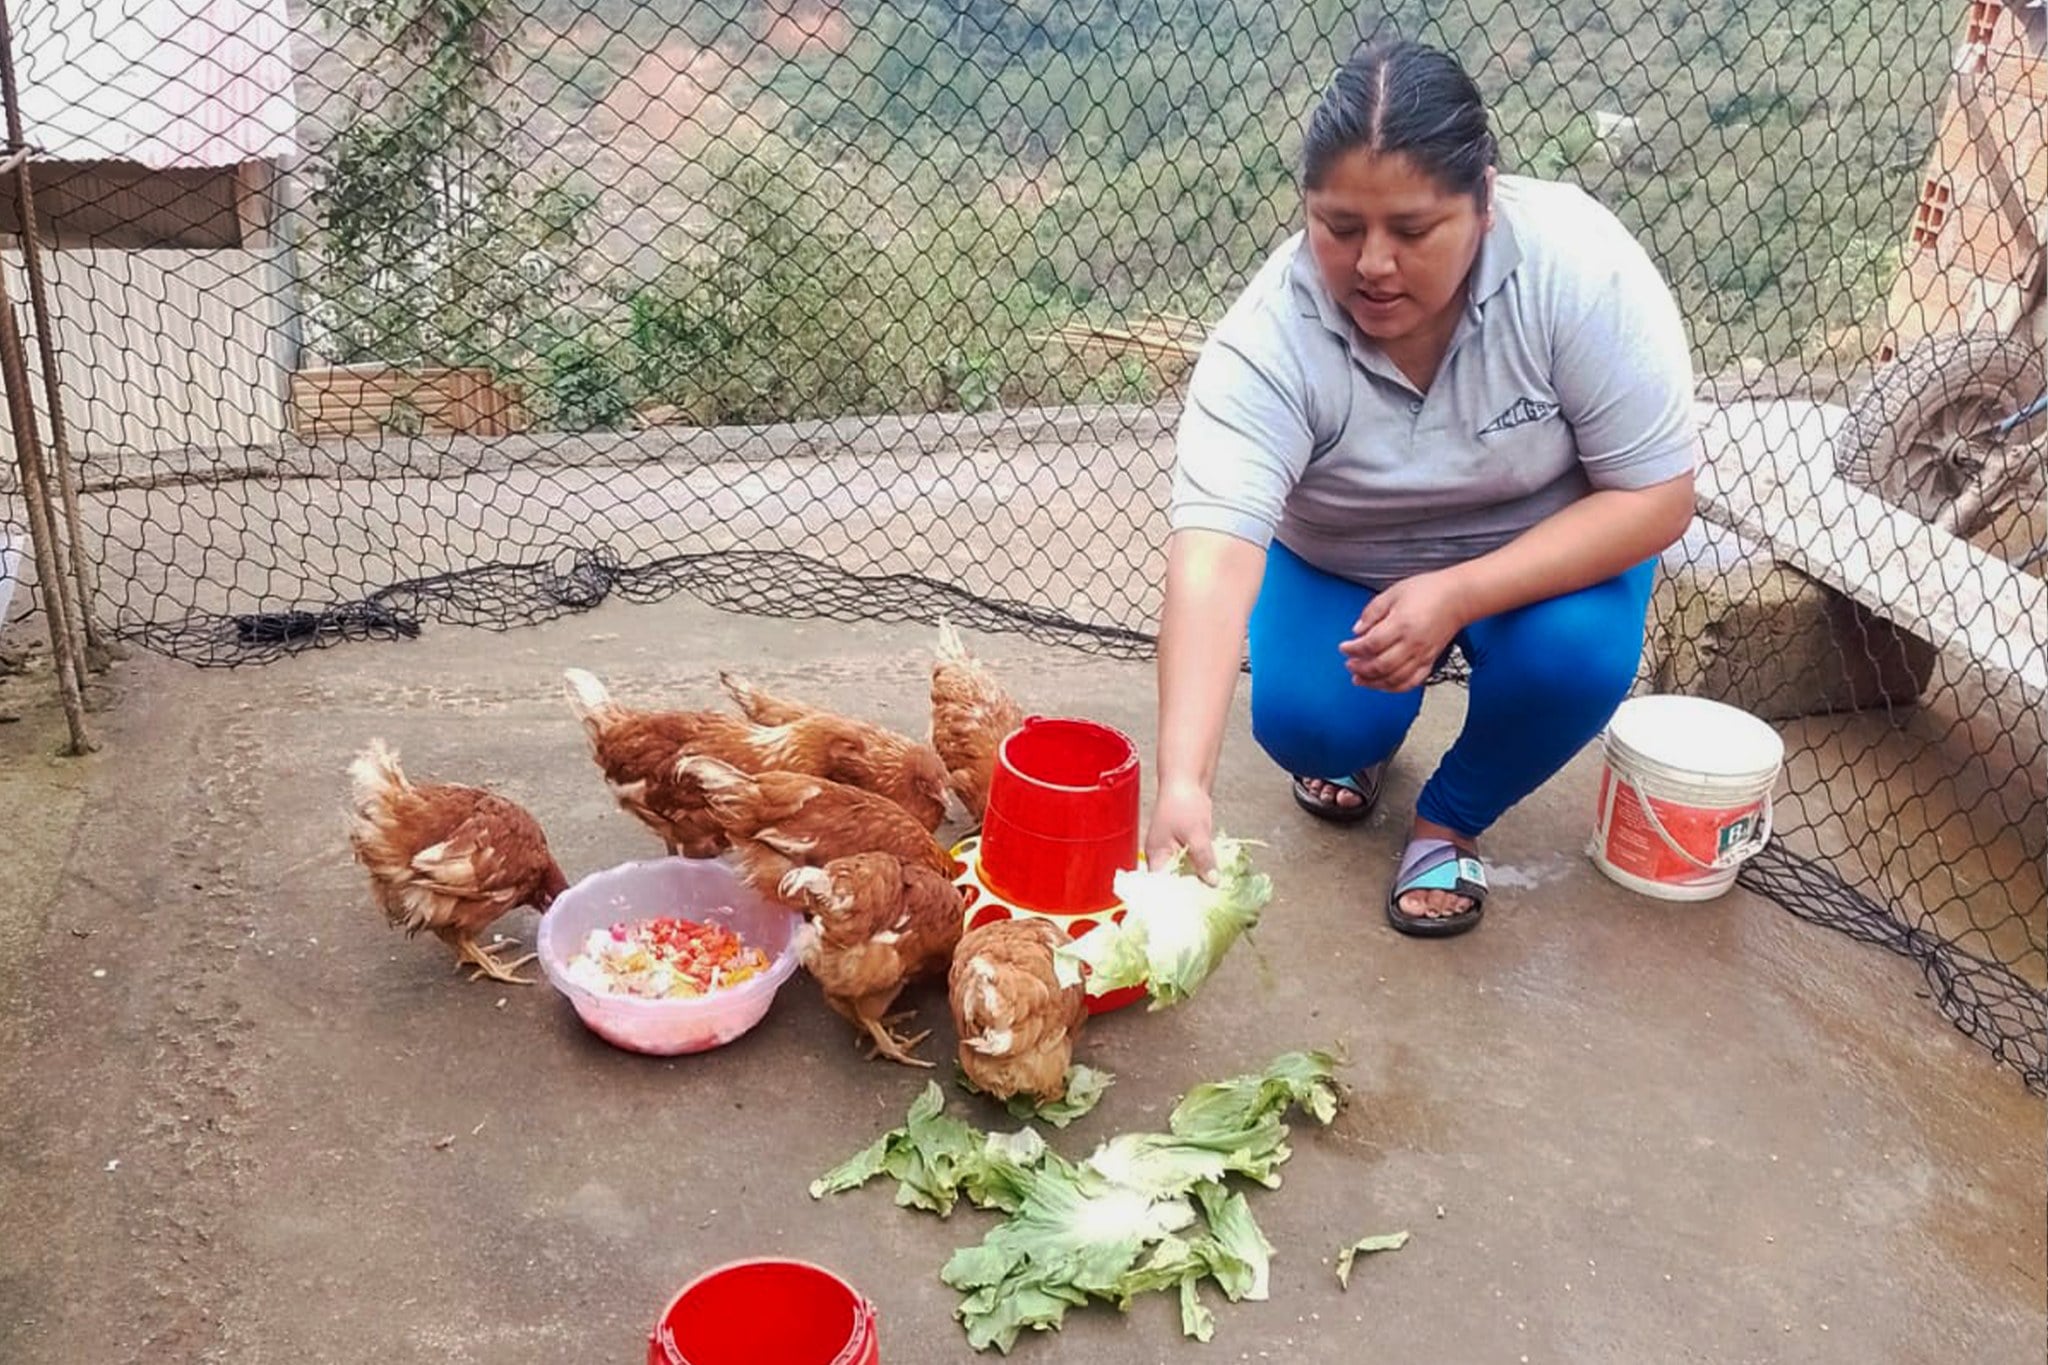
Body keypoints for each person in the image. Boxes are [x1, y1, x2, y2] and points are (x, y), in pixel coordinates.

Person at [1143, 39, 1698, 937]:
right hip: (1346, 559)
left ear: (1483, 200)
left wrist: (1459, 592)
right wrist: (1180, 783)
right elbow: (1212, 554)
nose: (1372, 265)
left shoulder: (1578, 271)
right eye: (1339, 226)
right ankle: (1364, 746)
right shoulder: (1269, 338)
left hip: (1544, 556)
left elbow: (1658, 498)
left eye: (1412, 230)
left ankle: (1449, 817)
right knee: (1309, 719)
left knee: (1578, 656)